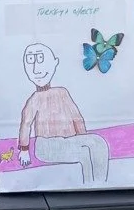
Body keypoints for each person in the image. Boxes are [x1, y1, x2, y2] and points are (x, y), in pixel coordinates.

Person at [18, 43, 110, 184]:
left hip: (69, 140)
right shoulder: (34, 99)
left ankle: (102, 183)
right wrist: (24, 149)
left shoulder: (62, 92)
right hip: (46, 145)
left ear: (54, 63)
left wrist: (83, 138)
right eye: (31, 60)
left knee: (99, 142)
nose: (36, 67)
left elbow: (76, 117)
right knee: (84, 154)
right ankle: (91, 185)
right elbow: (26, 124)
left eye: (40, 59)